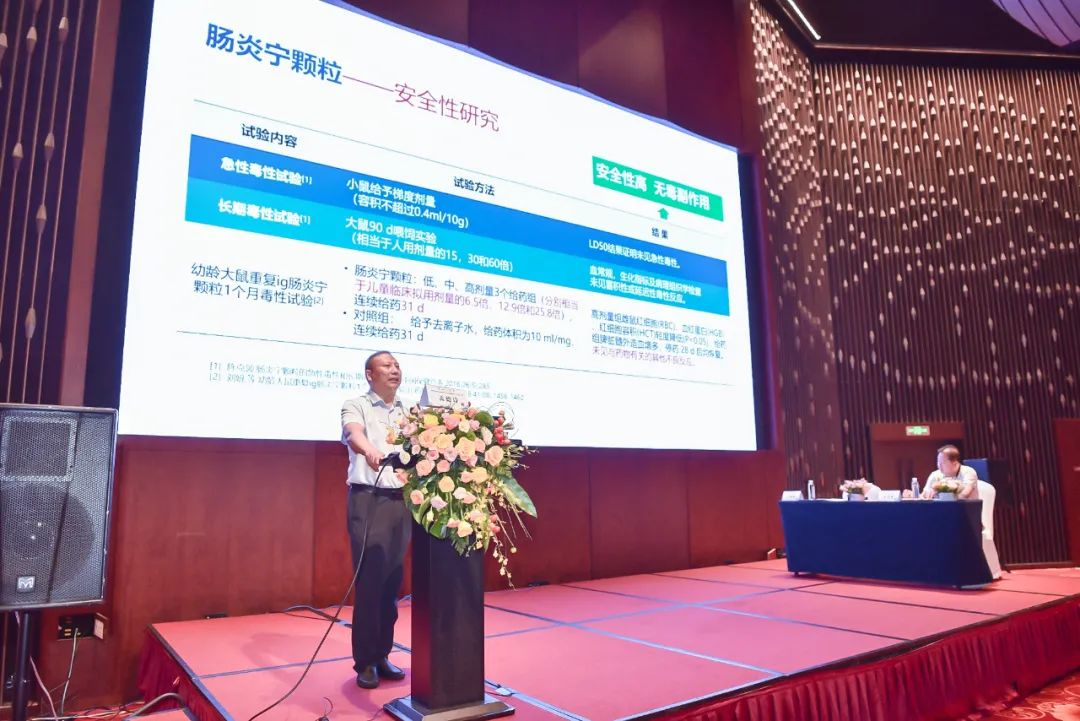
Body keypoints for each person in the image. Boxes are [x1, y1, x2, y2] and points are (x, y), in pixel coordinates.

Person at [341, 350, 410, 689]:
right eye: (386, 365)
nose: (394, 369)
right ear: (370, 374)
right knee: (370, 581)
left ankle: (382, 654)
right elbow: (353, 433)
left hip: (401, 502)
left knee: (392, 582)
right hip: (369, 500)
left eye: (396, 365)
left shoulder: (409, 412)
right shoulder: (357, 405)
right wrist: (368, 449)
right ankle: (365, 661)